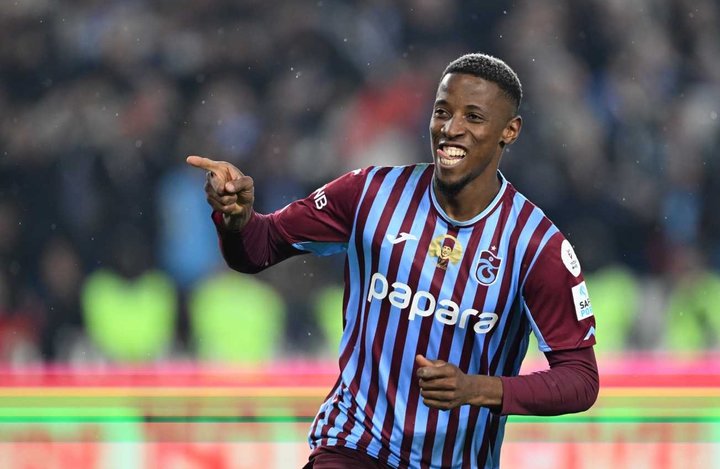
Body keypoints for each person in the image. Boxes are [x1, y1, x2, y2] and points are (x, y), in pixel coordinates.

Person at [187, 53, 599, 469]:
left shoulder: (536, 246)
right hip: (353, 448)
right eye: (442, 112)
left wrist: (478, 389)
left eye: (473, 117)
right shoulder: (369, 193)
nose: (450, 129)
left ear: (509, 130)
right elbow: (259, 249)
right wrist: (236, 220)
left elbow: (580, 380)